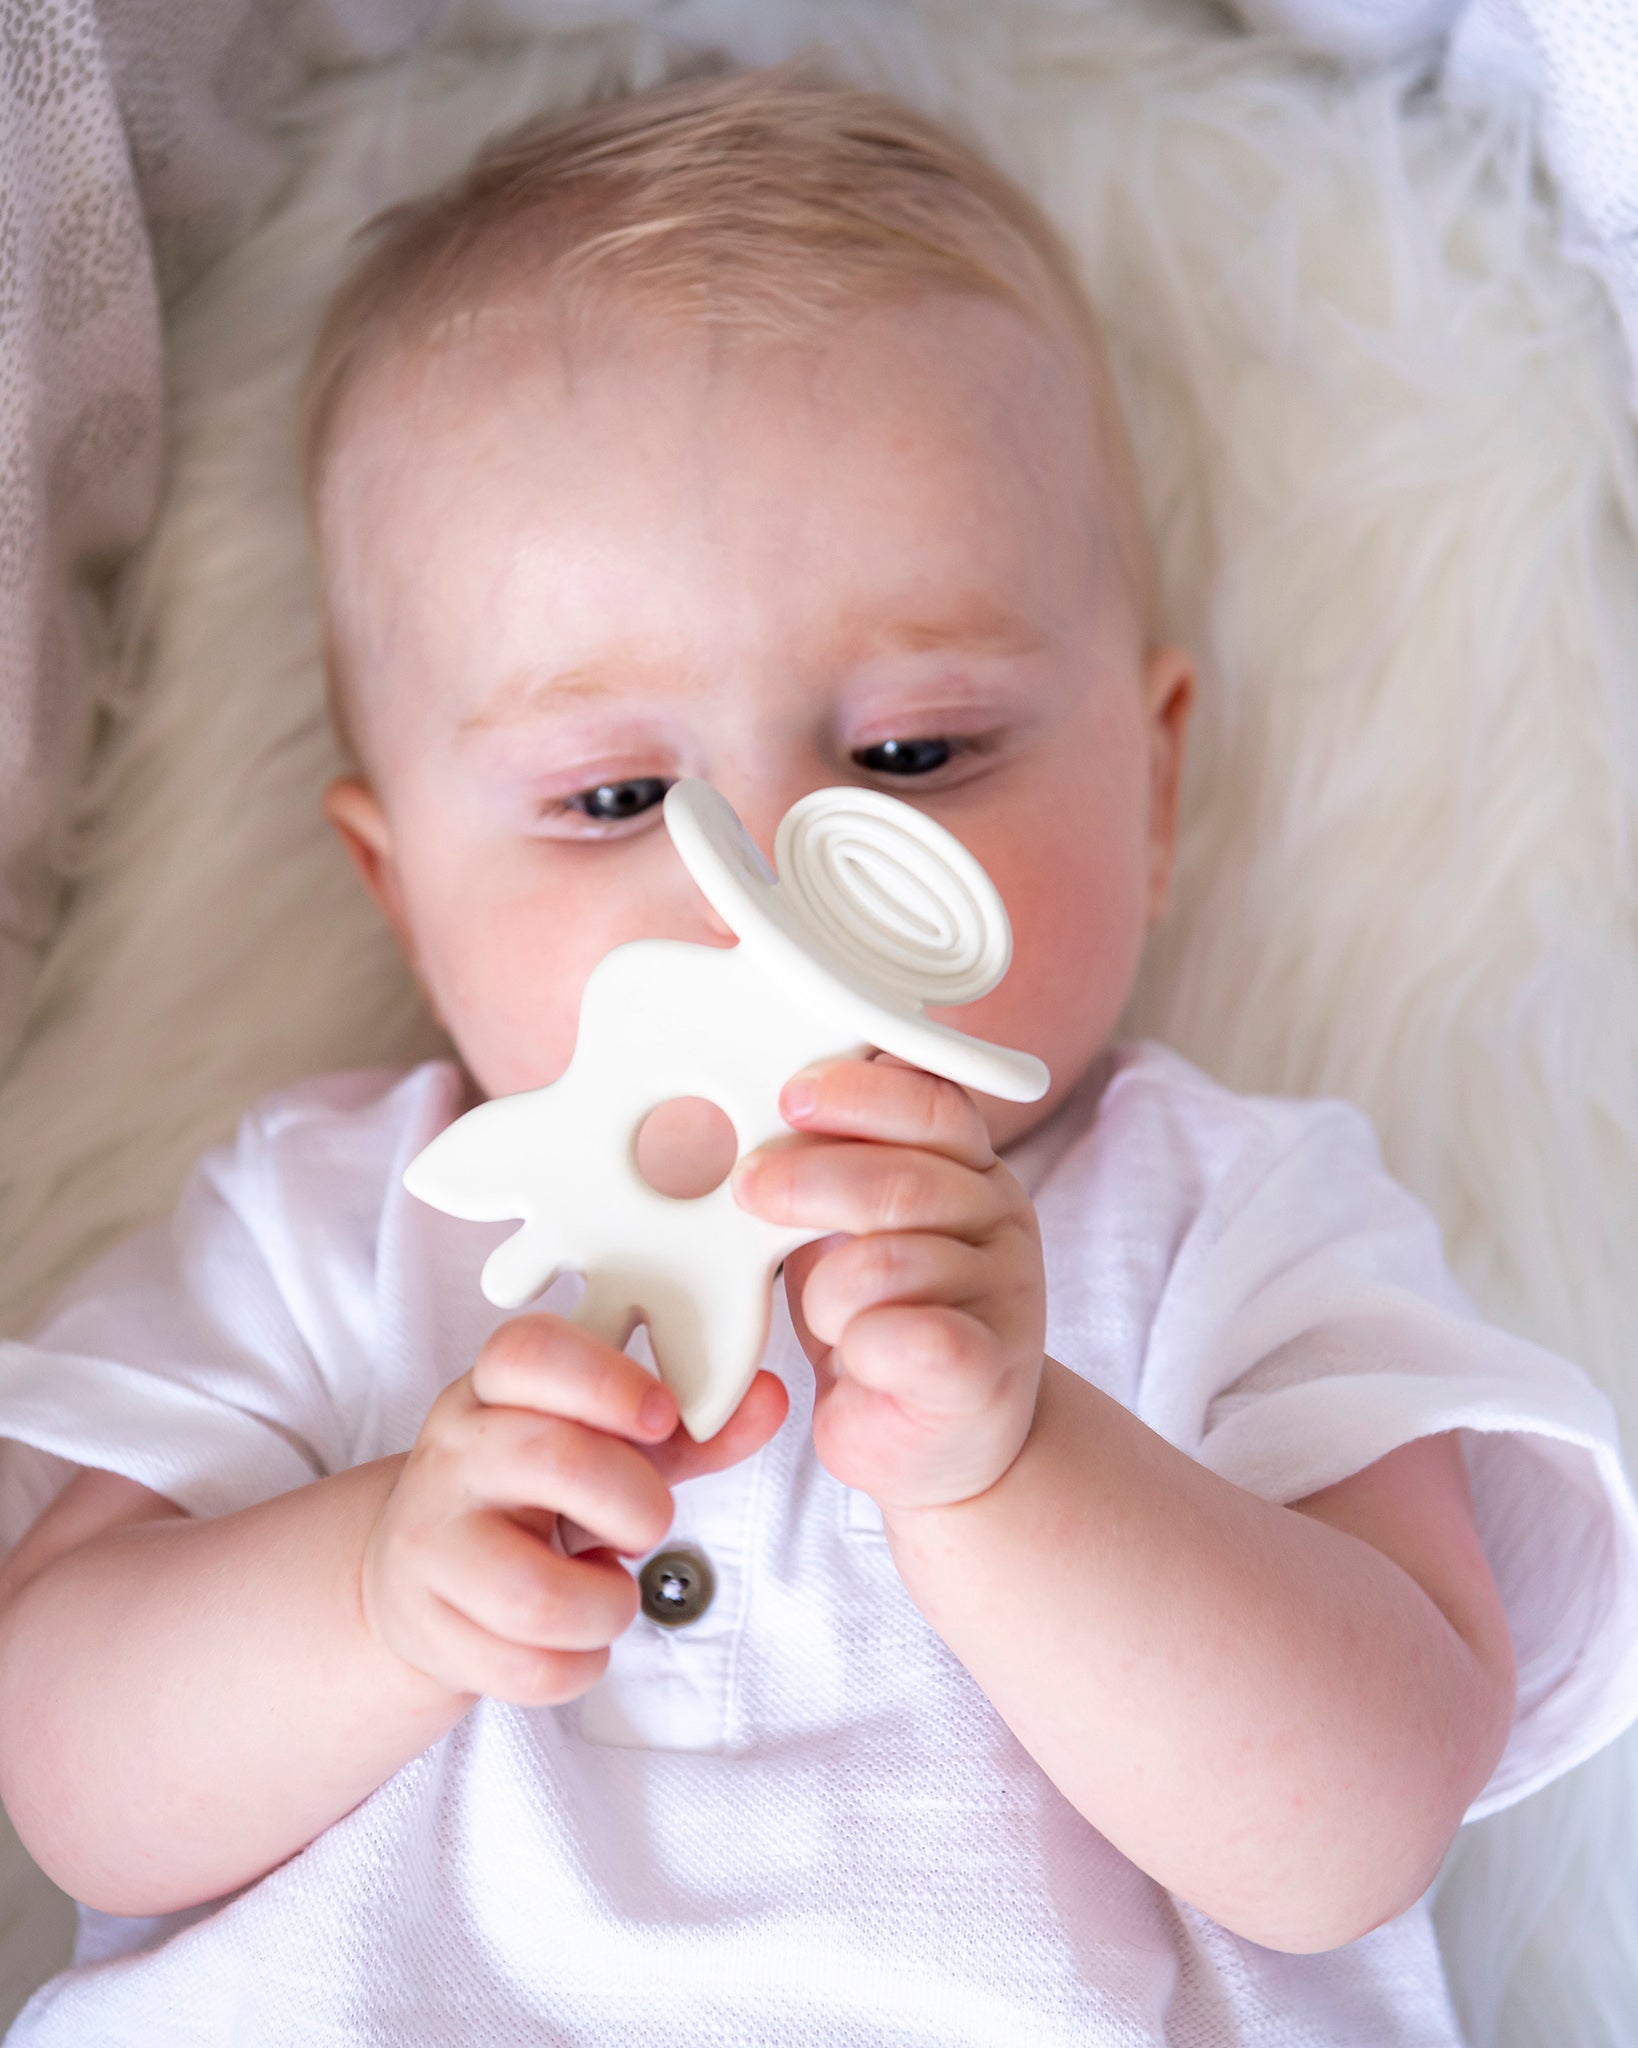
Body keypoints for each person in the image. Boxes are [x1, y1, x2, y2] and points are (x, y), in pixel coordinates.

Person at [0, 62, 1634, 2047]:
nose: (767, 880)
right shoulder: (327, 1225)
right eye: (612, 795)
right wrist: (371, 1593)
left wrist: (1019, 1467)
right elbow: (65, 1762)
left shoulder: (1227, 1216)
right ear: (399, 886)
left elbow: (1364, 1820)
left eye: (917, 756)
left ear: (1153, 786)